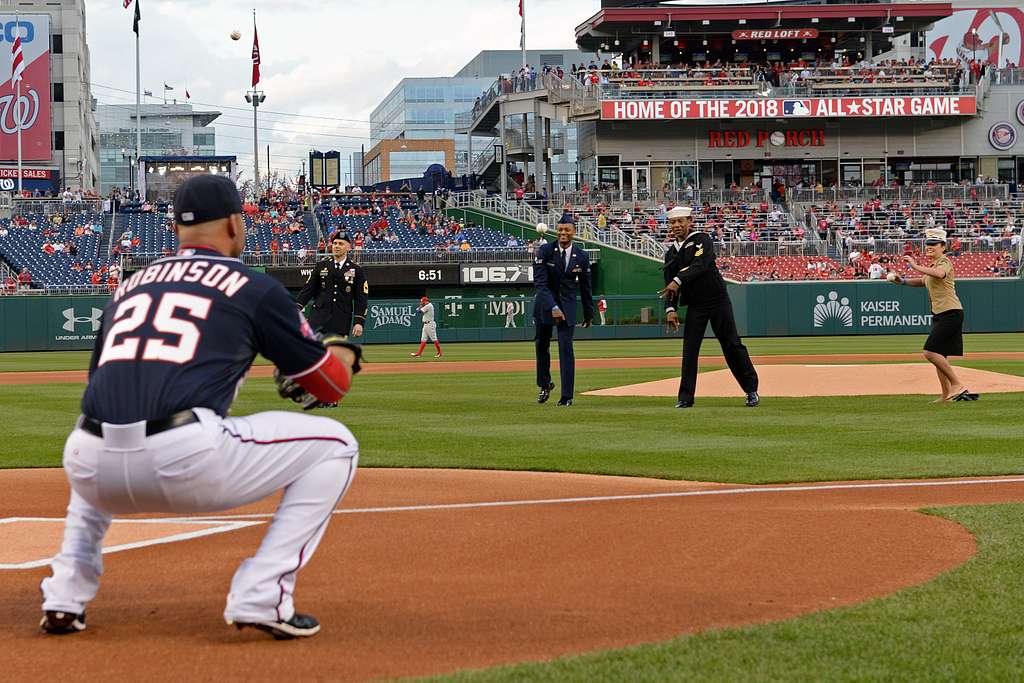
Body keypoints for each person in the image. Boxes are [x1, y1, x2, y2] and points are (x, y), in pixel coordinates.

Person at [38, 174, 363, 640]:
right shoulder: (253, 286)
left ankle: (63, 596)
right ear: (234, 224)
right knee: (338, 444)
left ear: (175, 228)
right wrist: (347, 356)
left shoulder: (129, 287)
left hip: (89, 459)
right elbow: (329, 386)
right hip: (185, 458)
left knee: (98, 440)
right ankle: (261, 593)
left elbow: (99, 381)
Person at [658, 206, 759, 408]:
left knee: (731, 344)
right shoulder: (670, 253)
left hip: (717, 299)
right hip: (696, 304)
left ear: (689, 221)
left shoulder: (701, 239)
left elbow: (700, 265)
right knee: (690, 350)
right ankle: (685, 398)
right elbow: (669, 285)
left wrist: (678, 280)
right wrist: (670, 309)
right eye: (673, 222)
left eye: (681, 221)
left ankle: (751, 390)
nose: (677, 225)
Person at [887, 228, 977, 403]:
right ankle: (945, 396)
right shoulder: (932, 265)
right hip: (940, 313)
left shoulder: (944, 262)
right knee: (939, 355)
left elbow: (939, 274)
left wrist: (913, 265)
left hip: (951, 312)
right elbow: (923, 281)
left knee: (930, 352)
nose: (929, 247)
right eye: (927, 244)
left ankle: (957, 385)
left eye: (933, 244)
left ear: (943, 247)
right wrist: (902, 281)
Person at [533, 218, 593, 406]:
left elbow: (586, 287)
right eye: (559, 230)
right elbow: (540, 284)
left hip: (567, 308)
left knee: (566, 350)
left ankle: (567, 396)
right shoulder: (545, 251)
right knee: (541, 346)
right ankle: (545, 383)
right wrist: (553, 307)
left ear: (574, 231)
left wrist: (589, 313)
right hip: (545, 305)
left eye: (566, 230)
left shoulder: (582, 256)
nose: (562, 233)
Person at [296, 232, 368, 338]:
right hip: (318, 317)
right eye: (335, 243)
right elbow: (308, 290)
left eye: (340, 244)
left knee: (335, 353)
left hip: (341, 319)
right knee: (313, 352)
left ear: (348, 247)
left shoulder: (356, 270)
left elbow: (361, 298)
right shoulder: (321, 265)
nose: (337, 246)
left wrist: (359, 322)